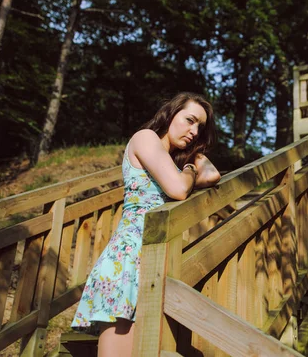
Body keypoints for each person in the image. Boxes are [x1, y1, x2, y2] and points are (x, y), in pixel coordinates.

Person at [71, 92, 221, 356]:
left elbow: (213, 174)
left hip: (153, 258)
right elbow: (178, 189)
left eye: (200, 127)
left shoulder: (169, 160)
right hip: (128, 259)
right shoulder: (146, 138)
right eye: (189, 120)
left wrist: (191, 157)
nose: (194, 131)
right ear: (170, 113)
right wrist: (189, 170)